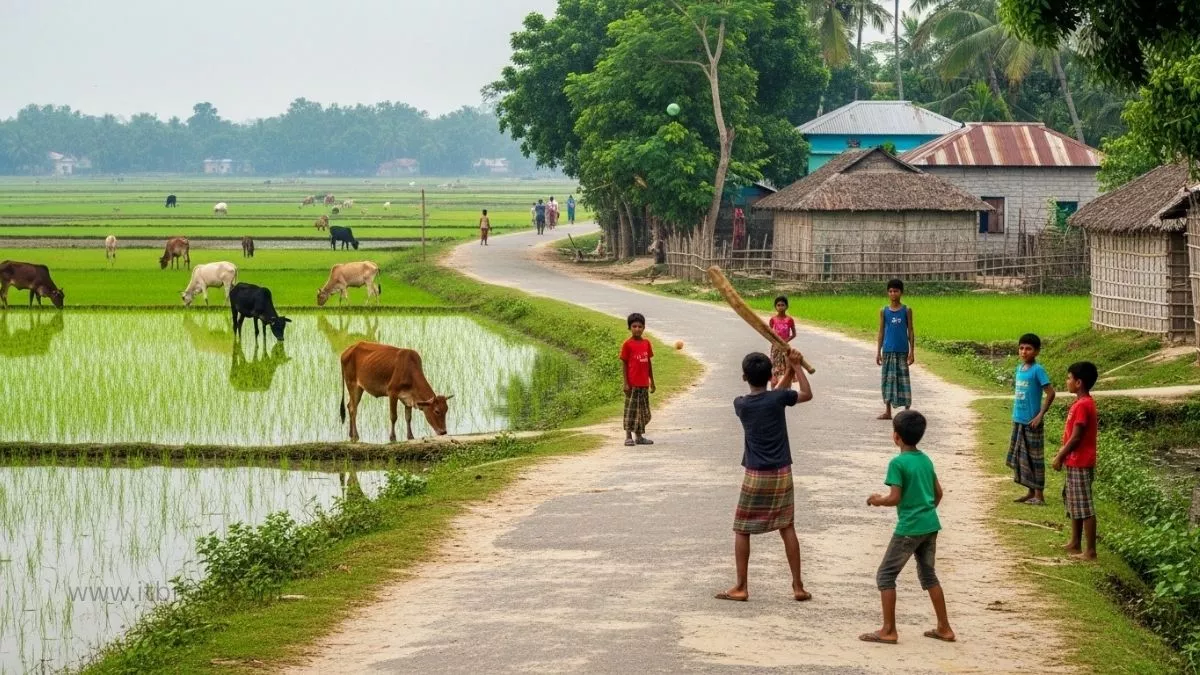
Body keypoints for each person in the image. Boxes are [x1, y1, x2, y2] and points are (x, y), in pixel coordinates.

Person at [716, 350, 814, 603]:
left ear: (744, 377)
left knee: (741, 529)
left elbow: (773, 396)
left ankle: (741, 586)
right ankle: (798, 586)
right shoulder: (778, 398)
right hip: (781, 472)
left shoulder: (741, 404)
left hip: (756, 474)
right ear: (771, 375)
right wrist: (796, 368)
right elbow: (805, 394)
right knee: (787, 526)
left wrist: (790, 370)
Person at [861, 410, 955, 645]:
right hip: (930, 524)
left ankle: (889, 630)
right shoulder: (925, 459)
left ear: (896, 437)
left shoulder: (898, 463)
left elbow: (894, 497)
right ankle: (944, 627)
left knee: (885, 575)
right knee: (928, 574)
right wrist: (926, 511)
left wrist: (877, 499)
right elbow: (938, 493)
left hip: (909, 528)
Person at [1053, 361, 1099, 560]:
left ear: (1079, 382)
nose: (1067, 381)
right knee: (1074, 502)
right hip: (1074, 461)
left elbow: (1077, 436)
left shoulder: (1083, 405)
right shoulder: (1081, 403)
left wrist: (1060, 455)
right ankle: (1075, 542)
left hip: (1080, 460)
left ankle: (1090, 550)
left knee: (1085, 506)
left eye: (1069, 378)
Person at [1007, 333, 1055, 505]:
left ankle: (1039, 496)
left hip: (1032, 422)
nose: (1024, 352)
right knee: (1023, 457)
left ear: (1036, 352)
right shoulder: (1019, 369)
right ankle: (1030, 492)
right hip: (1019, 419)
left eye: (1028, 349)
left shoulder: (1038, 370)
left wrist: (1040, 415)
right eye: (1021, 348)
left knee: (1035, 458)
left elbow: (1051, 393)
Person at [876, 279, 915, 420]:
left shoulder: (906, 310)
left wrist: (912, 352)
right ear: (888, 293)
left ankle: (906, 410)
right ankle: (887, 411)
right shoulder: (884, 311)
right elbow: (881, 332)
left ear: (901, 292)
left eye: (896, 291)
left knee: (903, 380)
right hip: (887, 351)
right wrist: (878, 352)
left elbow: (910, 331)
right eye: (891, 291)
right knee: (887, 380)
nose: (893, 293)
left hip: (902, 351)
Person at [620, 313, 655, 446]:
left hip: (644, 384)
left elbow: (648, 363)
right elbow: (624, 363)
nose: (637, 329)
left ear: (644, 328)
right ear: (629, 328)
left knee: (642, 411)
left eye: (640, 326)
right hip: (632, 384)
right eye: (634, 326)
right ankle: (628, 436)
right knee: (630, 410)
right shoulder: (627, 345)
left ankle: (639, 436)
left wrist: (652, 382)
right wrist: (626, 383)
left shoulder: (646, 343)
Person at [768, 296, 797, 389]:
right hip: (775, 348)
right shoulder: (773, 320)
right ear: (775, 307)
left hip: (785, 348)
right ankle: (773, 389)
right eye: (778, 305)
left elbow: (794, 334)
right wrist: (775, 342)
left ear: (787, 306)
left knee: (786, 369)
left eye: (783, 305)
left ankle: (788, 389)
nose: (780, 307)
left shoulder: (789, 320)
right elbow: (769, 333)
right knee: (775, 369)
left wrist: (785, 341)